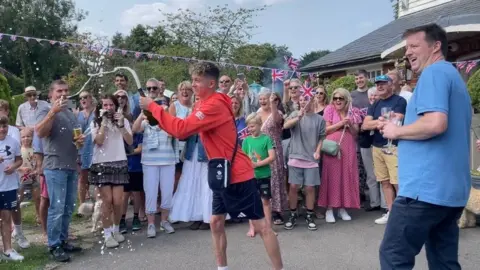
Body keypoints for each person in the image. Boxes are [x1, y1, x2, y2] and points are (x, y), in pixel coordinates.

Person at [139, 62, 283, 270]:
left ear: (212, 83)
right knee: (215, 222)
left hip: (238, 174)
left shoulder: (213, 105)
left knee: (262, 226)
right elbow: (179, 125)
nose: (193, 85)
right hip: (220, 173)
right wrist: (157, 116)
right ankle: (222, 268)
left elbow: (181, 130)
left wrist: (152, 106)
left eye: (198, 81)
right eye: (193, 80)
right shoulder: (205, 103)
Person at [379, 24, 472, 270]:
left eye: (414, 46)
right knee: (443, 262)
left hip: (424, 190)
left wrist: (395, 131)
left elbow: (435, 123)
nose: (408, 52)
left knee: (394, 256)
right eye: (406, 47)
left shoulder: (434, 73)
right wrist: (405, 122)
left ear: (435, 46)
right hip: (450, 192)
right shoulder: (453, 77)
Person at [35, 80, 84, 262]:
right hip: (55, 166)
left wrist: (80, 141)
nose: (63, 94)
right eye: (59, 91)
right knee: (56, 207)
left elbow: (76, 138)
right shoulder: (45, 109)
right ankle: (54, 244)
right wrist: (52, 113)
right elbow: (39, 132)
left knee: (68, 206)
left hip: (71, 165)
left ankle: (63, 240)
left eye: (65, 90)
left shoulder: (70, 113)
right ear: (51, 94)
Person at [90, 94, 132, 248]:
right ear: (100, 108)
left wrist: (121, 125)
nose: (108, 108)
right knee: (106, 201)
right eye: (105, 105)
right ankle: (107, 234)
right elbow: (99, 141)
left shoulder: (123, 120)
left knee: (118, 201)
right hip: (101, 164)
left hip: (119, 162)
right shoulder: (95, 122)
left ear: (115, 106)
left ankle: (116, 229)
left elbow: (130, 141)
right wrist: (104, 124)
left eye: (111, 105)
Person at [284, 94, 326, 230]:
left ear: (312, 100)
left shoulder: (319, 119)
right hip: (295, 155)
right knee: (294, 186)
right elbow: (285, 126)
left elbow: (321, 137)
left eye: (306, 99)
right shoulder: (294, 114)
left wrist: (318, 151)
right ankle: (292, 214)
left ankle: (309, 214)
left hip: (311, 157)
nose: (303, 102)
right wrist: (298, 117)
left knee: (309, 188)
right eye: (301, 100)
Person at [242, 112, 276, 237]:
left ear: (259, 125)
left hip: (264, 175)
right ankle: (252, 227)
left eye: (253, 126)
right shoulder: (246, 141)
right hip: (250, 177)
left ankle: (268, 227)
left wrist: (258, 164)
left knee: (265, 201)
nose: (251, 129)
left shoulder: (266, 139)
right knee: (252, 202)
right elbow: (244, 158)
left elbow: (272, 157)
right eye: (249, 127)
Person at [0, 115, 24, 261]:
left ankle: (8, 250)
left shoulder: (13, 142)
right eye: (0, 126)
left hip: (8, 186)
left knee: (6, 218)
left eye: (5, 126)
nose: (2, 129)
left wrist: (13, 167)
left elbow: (19, 160)